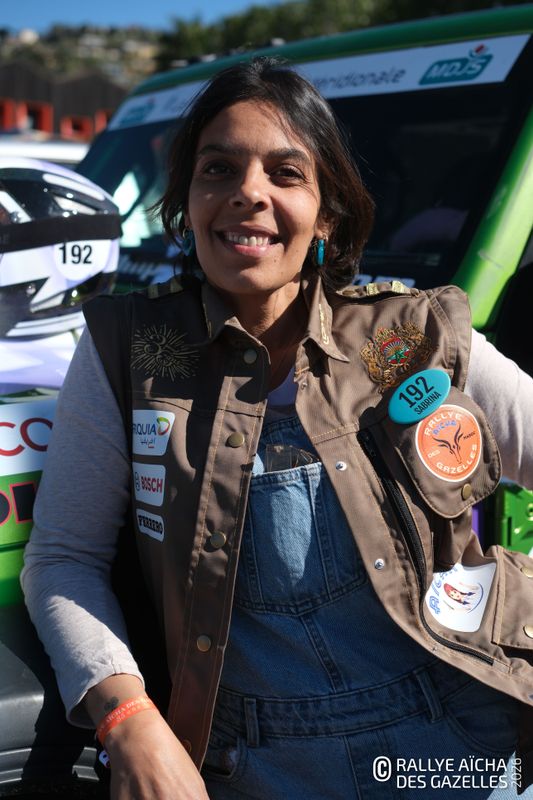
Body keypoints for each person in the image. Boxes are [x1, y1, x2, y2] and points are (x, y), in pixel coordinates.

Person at [21, 57, 533, 800]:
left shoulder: (415, 336)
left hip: (462, 746)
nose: (248, 193)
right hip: (250, 766)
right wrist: (128, 719)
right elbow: (64, 558)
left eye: (285, 173)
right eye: (218, 169)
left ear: (327, 214)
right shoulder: (127, 350)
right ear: (188, 200)